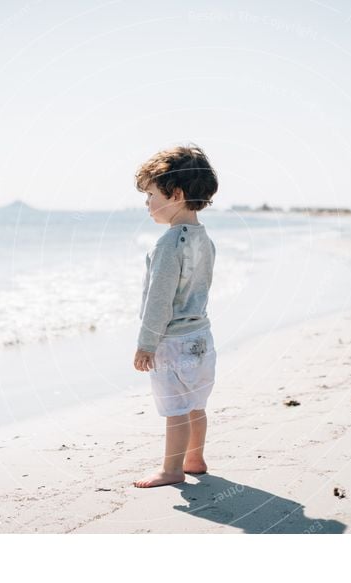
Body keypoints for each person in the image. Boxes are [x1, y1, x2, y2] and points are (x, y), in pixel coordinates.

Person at [132, 144, 218, 488]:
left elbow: (159, 300)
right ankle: (195, 458)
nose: (147, 204)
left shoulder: (168, 244)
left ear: (176, 194)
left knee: (175, 408)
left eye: (151, 194)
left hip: (173, 341)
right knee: (195, 403)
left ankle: (171, 470)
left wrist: (146, 344)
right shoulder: (205, 239)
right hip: (201, 337)